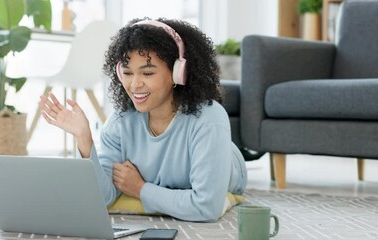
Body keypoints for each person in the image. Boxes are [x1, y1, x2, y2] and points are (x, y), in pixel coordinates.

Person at [39, 17, 247, 222]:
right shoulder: (121, 120)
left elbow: (206, 207)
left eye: (147, 73)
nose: (134, 85)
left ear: (178, 73)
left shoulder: (209, 118)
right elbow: (103, 197)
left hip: (227, 161)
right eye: (128, 73)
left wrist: (140, 189)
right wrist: (84, 139)